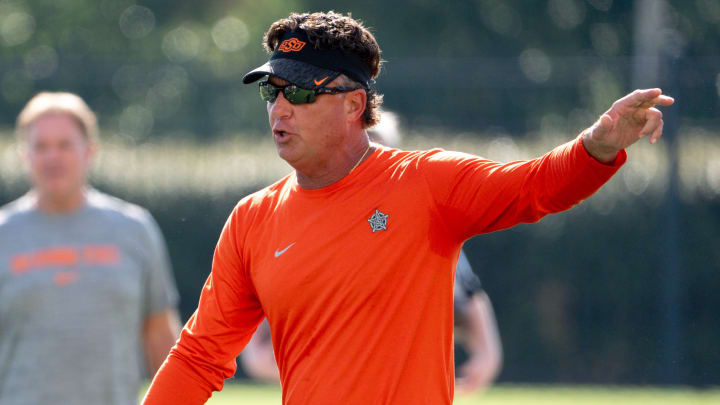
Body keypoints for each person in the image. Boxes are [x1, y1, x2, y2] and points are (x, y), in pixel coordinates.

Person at [142, 11, 673, 405]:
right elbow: (199, 356)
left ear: (354, 105)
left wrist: (601, 144)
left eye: (300, 93)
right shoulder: (252, 218)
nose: (280, 108)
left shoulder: (425, 182)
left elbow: (535, 187)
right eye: (272, 92)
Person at [0, 92, 181, 404]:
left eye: (65, 145)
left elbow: (159, 335)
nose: (52, 157)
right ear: (24, 155)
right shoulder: (5, 233)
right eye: (40, 146)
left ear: (90, 150)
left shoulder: (134, 228)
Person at [240, 250, 503, 392]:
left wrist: (488, 356)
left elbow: (467, 293)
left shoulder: (420, 210)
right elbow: (273, 296)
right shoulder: (307, 214)